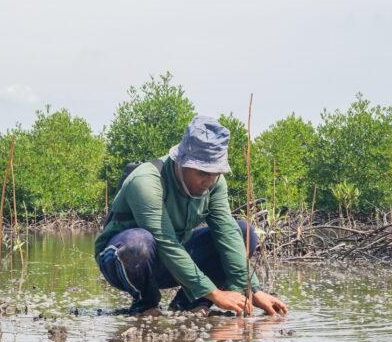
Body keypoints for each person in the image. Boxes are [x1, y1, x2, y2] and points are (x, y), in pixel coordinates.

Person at [95, 116, 289, 316]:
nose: (209, 180)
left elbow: (227, 233)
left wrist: (252, 289)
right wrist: (215, 293)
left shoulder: (215, 183)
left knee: (242, 232)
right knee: (138, 243)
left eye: (216, 172)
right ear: (181, 162)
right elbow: (165, 241)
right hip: (124, 259)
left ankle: (188, 304)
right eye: (202, 172)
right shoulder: (146, 180)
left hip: (175, 259)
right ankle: (146, 304)